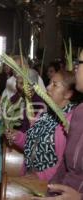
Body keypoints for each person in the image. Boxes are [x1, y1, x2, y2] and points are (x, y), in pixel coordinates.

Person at [6, 71, 78, 181]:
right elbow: (31, 143)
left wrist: (39, 177)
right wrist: (18, 136)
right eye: (49, 83)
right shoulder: (43, 112)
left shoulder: (71, 120)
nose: (48, 88)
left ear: (68, 94)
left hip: (50, 185)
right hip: (30, 177)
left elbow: (64, 163)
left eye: (55, 84)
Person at [30, 52, 83, 200]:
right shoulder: (79, 112)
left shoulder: (70, 117)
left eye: (80, 63)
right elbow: (66, 166)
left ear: (68, 94)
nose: (76, 68)